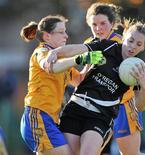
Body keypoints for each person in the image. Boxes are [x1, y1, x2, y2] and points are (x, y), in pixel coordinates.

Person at [47, 13, 145, 155]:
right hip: (76, 107)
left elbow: (140, 106)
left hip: (101, 116)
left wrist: (144, 87)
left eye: (139, 44)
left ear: (144, 47)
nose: (133, 46)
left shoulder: (138, 68)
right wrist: (56, 52)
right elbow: (78, 49)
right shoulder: (108, 46)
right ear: (124, 36)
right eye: (130, 40)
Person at [20, 15, 104, 155]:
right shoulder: (41, 51)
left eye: (65, 31)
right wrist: (79, 58)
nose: (66, 35)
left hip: (50, 120)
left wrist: (90, 59)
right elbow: (50, 67)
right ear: (47, 36)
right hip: (38, 116)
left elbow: (79, 81)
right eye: (61, 32)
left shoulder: (63, 60)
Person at [84, 2, 145, 155]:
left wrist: (144, 87)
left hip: (123, 108)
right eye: (94, 24)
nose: (98, 28)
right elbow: (82, 78)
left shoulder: (135, 64)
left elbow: (140, 105)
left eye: (103, 23)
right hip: (97, 105)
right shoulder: (90, 45)